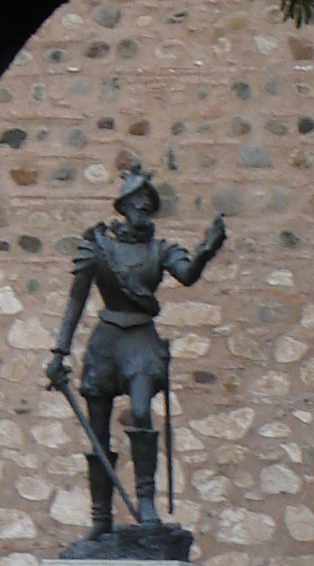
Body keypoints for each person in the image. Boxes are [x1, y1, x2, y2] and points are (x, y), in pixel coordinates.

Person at [46, 162, 227, 539]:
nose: (144, 207)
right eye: (138, 200)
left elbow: (187, 274)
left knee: (141, 413)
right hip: (106, 340)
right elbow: (75, 301)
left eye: (149, 202)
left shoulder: (160, 250)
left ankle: (145, 504)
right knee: (98, 430)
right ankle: (101, 516)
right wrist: (59, 352)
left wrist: (207, 250)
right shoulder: (98, 246)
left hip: (141, 340)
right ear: (124, 204)